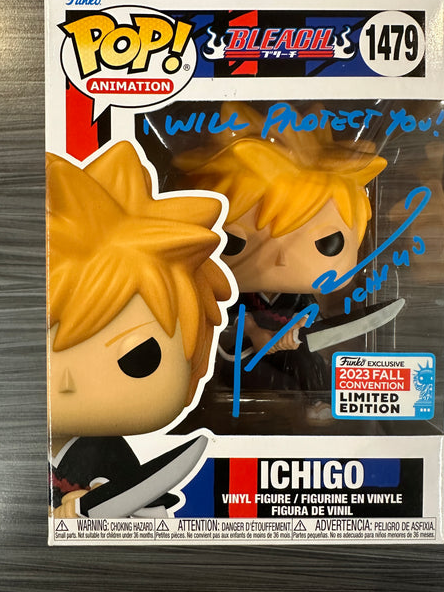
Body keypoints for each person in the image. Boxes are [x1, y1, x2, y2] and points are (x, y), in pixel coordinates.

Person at [47, 141, 233, 516]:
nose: (65, 381)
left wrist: (88, 513)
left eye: (139, 358)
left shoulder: (104, 452)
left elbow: (153, 513)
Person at [174, 102, 387, 393]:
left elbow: (309, 317)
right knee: (240, 379)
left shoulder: (299, 297)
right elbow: (222, 322)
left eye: (327, 243)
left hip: (294, 355)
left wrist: (294, 331)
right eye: (234, 242)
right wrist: (255, 333)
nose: (282, 258)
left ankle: (315, 401)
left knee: (309, 369)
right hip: (242, 363)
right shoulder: (229, 296)